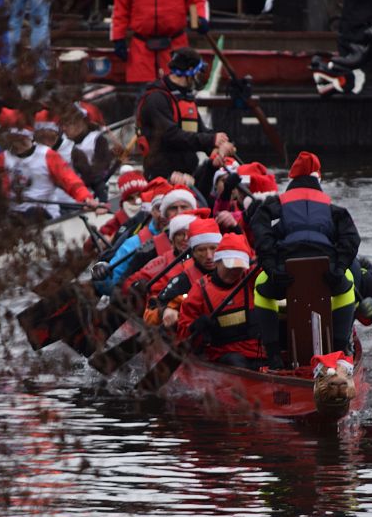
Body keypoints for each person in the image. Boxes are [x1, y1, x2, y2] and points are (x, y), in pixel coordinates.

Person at [247, 150, 360, 369]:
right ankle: (339, 352)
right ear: (318, 179)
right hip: (326, 271)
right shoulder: (330, 207)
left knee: (261, 288)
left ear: (292, 179)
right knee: (347, 287)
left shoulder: (278, 202)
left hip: (286, 271)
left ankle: (274, 356)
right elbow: (352, 238)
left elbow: (258, 224)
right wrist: (338, 268)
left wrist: (270, 266)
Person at [135, 46, 234, 180]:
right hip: (163, 176)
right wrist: (211, 139)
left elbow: (200, 130)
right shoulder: (156, 98)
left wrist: (219, 145)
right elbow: (171, 136)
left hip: (188, 173)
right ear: (190, 71)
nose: (198, 77)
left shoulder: (185, 97)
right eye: (198, 73)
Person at [177, 232, 262, 370]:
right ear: (217, 262)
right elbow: (183, 334)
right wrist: (194, 326)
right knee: (236, 362)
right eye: (229, 267)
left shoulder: (251, 278)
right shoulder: (199, 291)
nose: (234, 271)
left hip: (256, 353)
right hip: (223, 356)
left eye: (238, 268)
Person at [0, 122, 99, 223]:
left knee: (31, 213)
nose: (15, 143)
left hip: (44, 214)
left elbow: (69, 180)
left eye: (18, 139)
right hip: (14, 214)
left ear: (27, 137)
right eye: (11, 139)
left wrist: (86, 198)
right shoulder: (2, 159)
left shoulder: (47, 155)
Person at [147, 217, 222, 329]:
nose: (209, 256)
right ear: (192, 253)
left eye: (213, 248)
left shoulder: (235, 273)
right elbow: (150, 313)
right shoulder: (182, 281)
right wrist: (164, 312)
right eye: (201, 250)